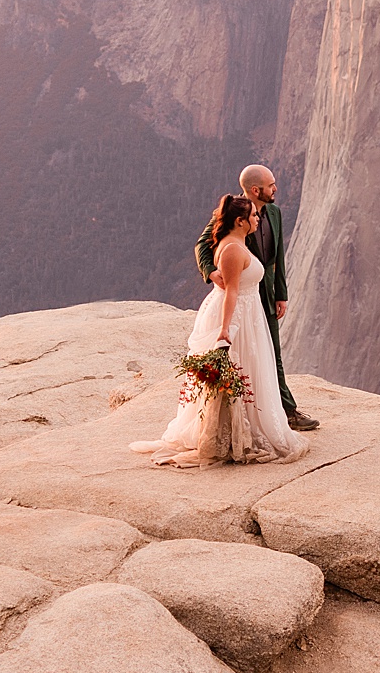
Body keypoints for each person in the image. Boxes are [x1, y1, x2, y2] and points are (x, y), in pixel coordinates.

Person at [133, 194, 308, 467]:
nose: (257, 219)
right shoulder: (233, 250)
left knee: (247, 372)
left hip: (247, 313)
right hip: (237, 316)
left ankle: (240, 429)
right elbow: (231, 292)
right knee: (241, 370)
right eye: (252, 217)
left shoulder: (237, 242)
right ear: (240, 222)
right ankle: (233, 435)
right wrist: (225, 331)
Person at [195, 164, 319, 431]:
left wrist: (281, 294)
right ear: (255, 190)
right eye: (270, 185)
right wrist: (211, 272)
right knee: (243, 355)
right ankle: (260, 415)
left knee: (271, 352)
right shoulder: (233, 213)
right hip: (242, 294)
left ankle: (283, 410)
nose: (275, 188)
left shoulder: (273, 213)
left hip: (266, 292)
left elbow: (279, 257)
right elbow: (203, 244)